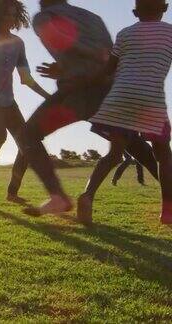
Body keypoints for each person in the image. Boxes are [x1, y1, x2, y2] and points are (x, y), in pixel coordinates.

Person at [20, 0, 160, 216]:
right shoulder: (93, 17)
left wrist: (89, 58)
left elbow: (61, 41)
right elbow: (112, 55)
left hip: (78, 91)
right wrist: (70, 65)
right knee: (134, 143)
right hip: (108, 88)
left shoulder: (43, 17)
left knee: (28, 134)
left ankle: (58, 197)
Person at [78, 0, 172, 225]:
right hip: (150, 99)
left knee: (114, 154)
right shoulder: (169, 32)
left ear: (135, 12)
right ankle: (168, 211)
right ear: (164, 8)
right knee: (164, 156)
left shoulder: (124, 34)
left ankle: (87, 194)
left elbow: (108, 70)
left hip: (120, 96)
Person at [0, 0, 50, 204]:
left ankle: (12, 193)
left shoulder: (17, 44)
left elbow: (26, 78)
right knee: (0, 135)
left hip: (8, 100)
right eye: (7, 14)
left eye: (14, 15)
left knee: (27, 143)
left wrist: (50, 97)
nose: (11, 18)